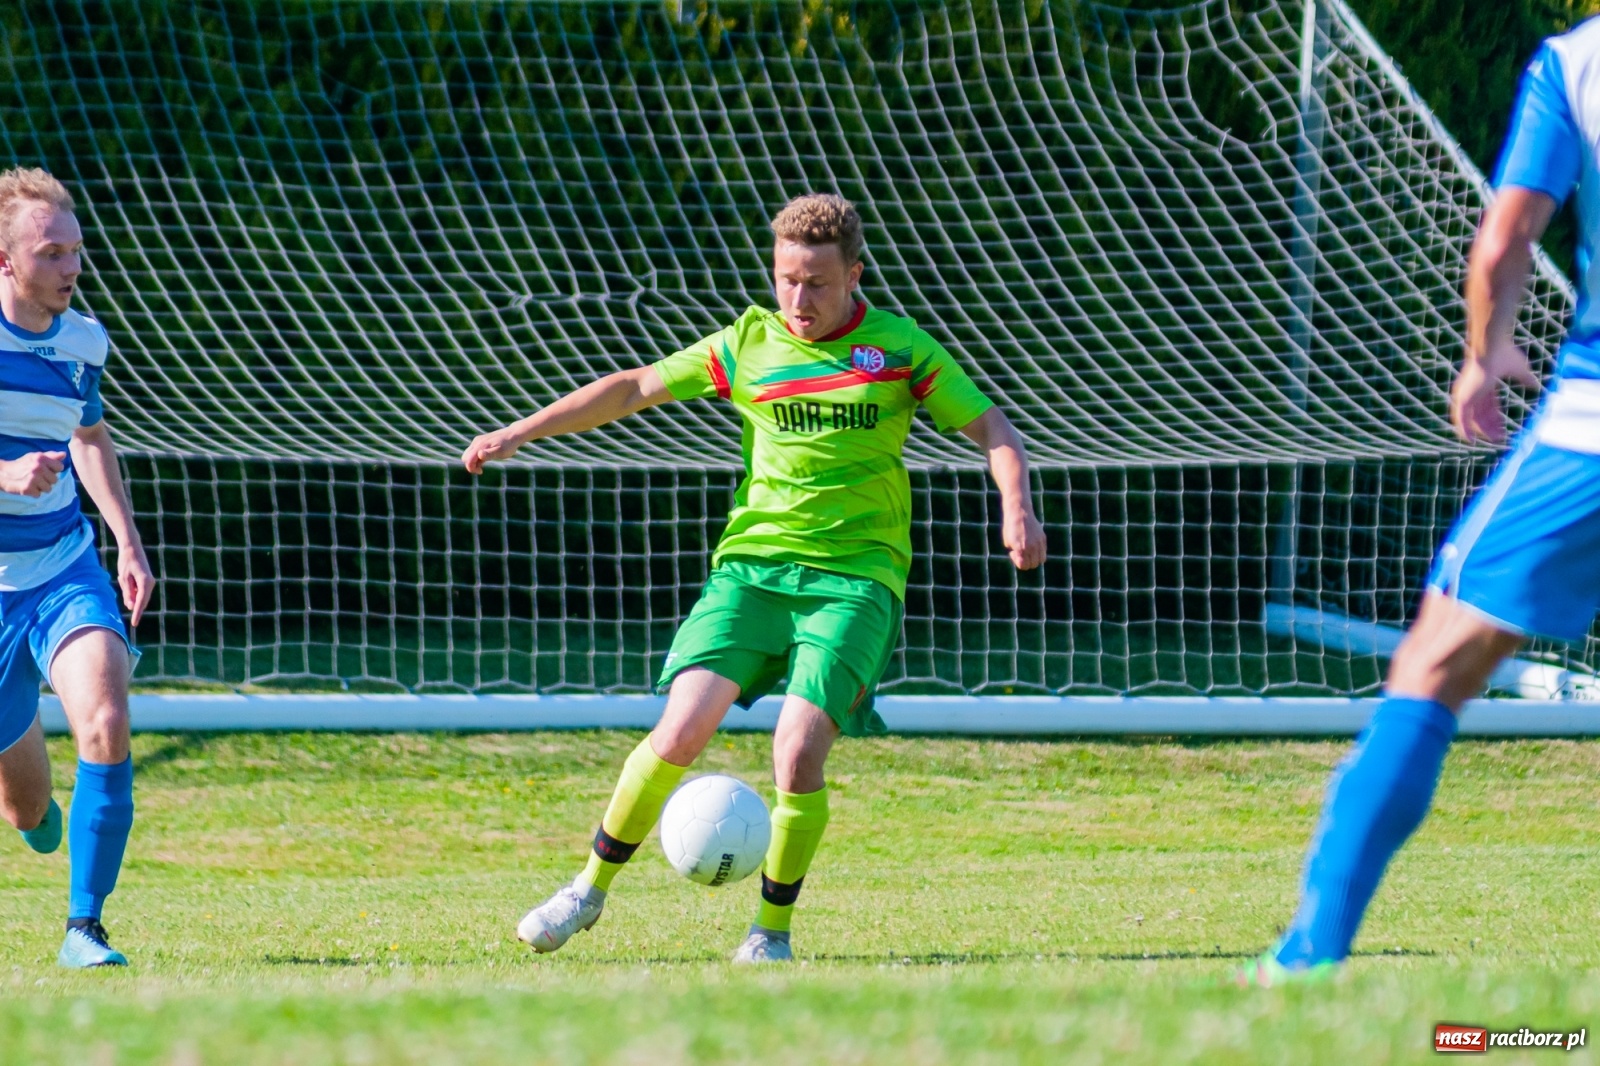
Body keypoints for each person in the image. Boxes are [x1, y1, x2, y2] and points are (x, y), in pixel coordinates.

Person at [464, 193, 1046, 963]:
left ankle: (770, 933)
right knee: (679, 730)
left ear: (855, 275)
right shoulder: (748, 344)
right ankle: (586, 891)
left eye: (817, 284)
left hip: (856, 579)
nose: (798, 301)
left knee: (797, 749)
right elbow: (636, 387)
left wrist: (1018, 509)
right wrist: (520, 430)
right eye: (786, 281)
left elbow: (992, 429)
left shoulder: (900, 350)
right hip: (751, 572)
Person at [1238, 19, 1600, 985]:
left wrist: (1487, 353)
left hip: (1590, 436)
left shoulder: (1578, 62)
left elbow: (1503, 244)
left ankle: (1309, 959)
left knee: (1429, 668)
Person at [0, 167, 153, 967]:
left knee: (104, 718)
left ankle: (83, 929)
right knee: (26, 812)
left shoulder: (83, 342)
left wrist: (125, 540)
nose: (71, 268)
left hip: (62, 569)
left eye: (77, 252)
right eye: (52, 253)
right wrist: (4, 475)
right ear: (6, 261)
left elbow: (89, 437)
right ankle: (37, 814)